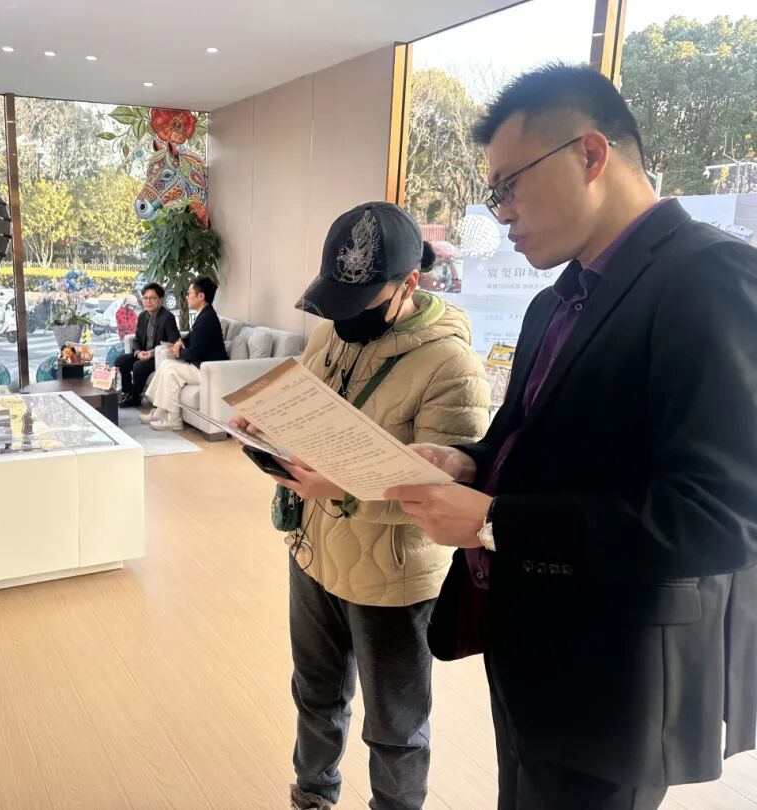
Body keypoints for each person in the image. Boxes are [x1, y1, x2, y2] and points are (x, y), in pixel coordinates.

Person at [384, 64, 757, 810]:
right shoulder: (554, 301)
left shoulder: (711, 276)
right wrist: (469, 463)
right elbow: (526, 441)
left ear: (590, 154)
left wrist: (493, 521)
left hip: (617, 680)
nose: (500, 214)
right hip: (527, 648)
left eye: (508, 186)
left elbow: (720, 518)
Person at [235, 202, 490, 810]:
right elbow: (308, 409)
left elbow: (444, 499)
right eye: (337, 303)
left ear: (410, 283)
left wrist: (345, 487)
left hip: (393, 578)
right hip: (314, 550)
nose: (345, 319)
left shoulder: (452, 366)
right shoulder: (331, 333)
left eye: (360, 303)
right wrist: (268, 428)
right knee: (314, 693)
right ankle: (312, 794)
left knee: (395, 726)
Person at [140, 275, 227, 430]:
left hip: (208, 370)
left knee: (170, 369)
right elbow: (192, 337)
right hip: (201, 365)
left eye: (189, 293)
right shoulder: (204, 314)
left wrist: (178, 352)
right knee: (166, 364)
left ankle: (174, 419)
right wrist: (180, 342)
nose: (186, 297)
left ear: (201, 296)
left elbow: (194, 353)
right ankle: (161, 411)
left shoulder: (207, 319)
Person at [115, 283, 178, 407]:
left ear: (160, 299)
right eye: (145, 298)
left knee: (138, 366)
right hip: (143, 353)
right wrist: (138, 352)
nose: (148, 301)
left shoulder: (168, 318)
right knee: (120, 360)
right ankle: (127, 393)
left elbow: (173, 341)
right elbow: (137, 339)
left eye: (152, 298)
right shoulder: (143, 316)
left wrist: (152, 353)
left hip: (158, 358)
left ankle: (135, 397)